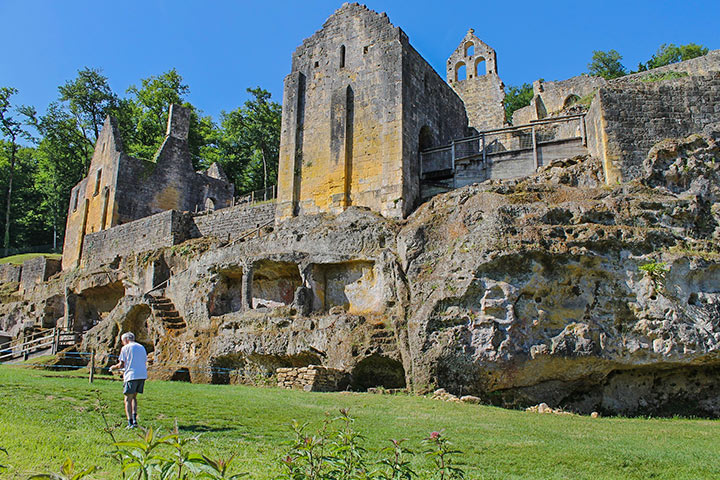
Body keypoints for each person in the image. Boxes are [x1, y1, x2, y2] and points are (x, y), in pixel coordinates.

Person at [109, 332, 147, 428]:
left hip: (131, 375)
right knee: (134, 397)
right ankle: (134, 420)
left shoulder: (126, 348)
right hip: (141, 375)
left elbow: (121, 364)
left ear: (126, 340)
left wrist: (113, 367)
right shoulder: (141, 347)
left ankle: (130, 422)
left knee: (127, 399)